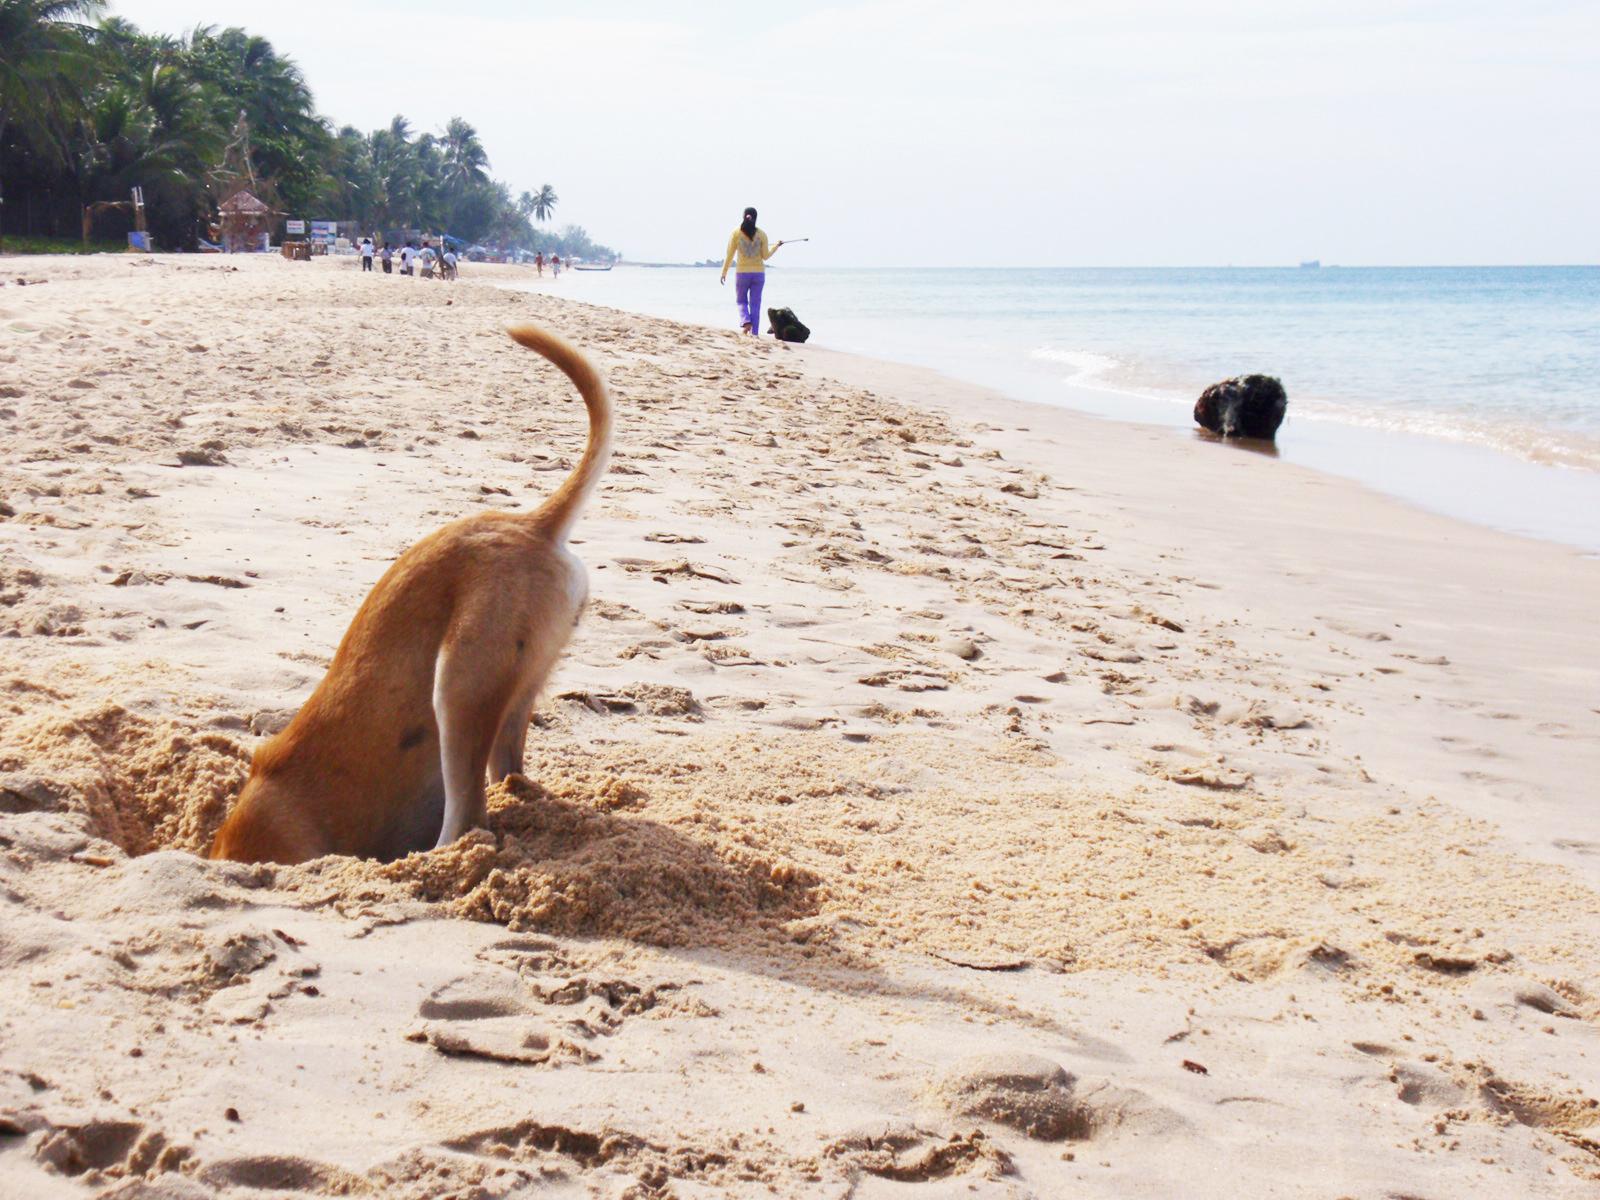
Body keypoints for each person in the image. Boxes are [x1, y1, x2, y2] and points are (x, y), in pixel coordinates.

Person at [720, 206, 784, 336]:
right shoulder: (762, 234)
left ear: (744, 216)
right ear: (756, 218)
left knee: (741, 301)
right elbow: (765, 256)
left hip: (742, 273)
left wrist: (724, 272)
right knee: (755, 304)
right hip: (758, 274)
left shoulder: (736, 233)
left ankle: (746, 321)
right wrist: (776, 246)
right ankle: (754, 333)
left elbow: (730, 255)